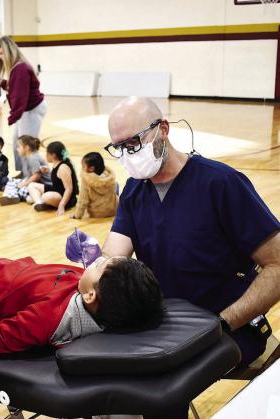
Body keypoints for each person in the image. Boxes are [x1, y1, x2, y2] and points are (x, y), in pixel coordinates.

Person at [101, 96, 280, 370]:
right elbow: (114, 256)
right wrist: (96, 261)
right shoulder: (134, 190)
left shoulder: (220, 184)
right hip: (165, 324)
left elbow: (277, 264)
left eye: (134, 143)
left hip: (227, 327)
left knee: (158, 385)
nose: (128, 154)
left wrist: (224, 321)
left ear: (163, 129)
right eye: (119, 148)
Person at [0, 232, 163, 354]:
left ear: (91, 296)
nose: (95, 263)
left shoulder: (48, 318)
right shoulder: (94, 296)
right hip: (3, 270)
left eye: (99, 266)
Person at [0, 36, 46, 173]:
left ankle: (33, 176)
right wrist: (1, 83)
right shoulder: (16, 67)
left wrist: (13, 117)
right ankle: (23, 173)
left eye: (2, 53)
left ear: (9, 51)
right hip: (26, 110)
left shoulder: (20, 69)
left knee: (26, 147)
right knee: (17, 144)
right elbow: (14, 87)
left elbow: (20, 97)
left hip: (31, 110)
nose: (0, 57)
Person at [28, 141, 78, 215]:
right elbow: (58, 178)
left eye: (47, 153)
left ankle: (41, 200)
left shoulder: (63, 167)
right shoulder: (57, 163)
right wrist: (48, 171)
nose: (46, 155)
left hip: (66, 198)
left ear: (53, 155)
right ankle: (39, 203)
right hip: (56, 190)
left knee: (45, 197)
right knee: (32, 185)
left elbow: (69, 189)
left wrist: (62, 205)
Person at [0, 135, 51, 205]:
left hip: (43, 185)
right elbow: (27, 174)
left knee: (19, 189)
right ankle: (11, 195)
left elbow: (36, 176)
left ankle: (12, 196)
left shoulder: (33, 158)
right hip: (36, 183)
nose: (17, 149)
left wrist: (24, 184)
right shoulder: (27, 157)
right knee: (13, 182)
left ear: (27, 148)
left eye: (19, 147)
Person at [71, 152, 119, 219]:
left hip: (96, 213)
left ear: (91, 169)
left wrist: (77, 215)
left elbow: (83, 201)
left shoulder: (87, 180)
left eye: (83, 166)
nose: (82, 168)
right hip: (113, 211)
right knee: (116, 185)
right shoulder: (110, 177)